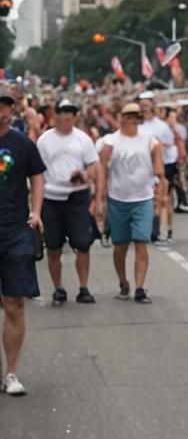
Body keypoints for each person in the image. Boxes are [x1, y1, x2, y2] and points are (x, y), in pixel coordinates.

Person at [0, 91, 46, 395]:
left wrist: (36, 211)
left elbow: (37, 175)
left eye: (4, 108)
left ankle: (11, 373)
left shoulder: (21, 143)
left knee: (15, 303)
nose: (2, 112)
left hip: (14, 230)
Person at [98, 102, 165, 303]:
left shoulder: (150, 141)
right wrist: (99, 198)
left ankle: (140, 288)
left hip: (142, 198)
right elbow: (102, 168)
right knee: (120, 246)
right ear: (121, 118)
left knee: (141, 243)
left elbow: (159, 169)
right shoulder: (110, 141)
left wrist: (161, 194)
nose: (132, 119)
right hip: (118, 199)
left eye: (136, 116)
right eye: (128, 116)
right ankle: (123, 282)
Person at [36, 99, 100, 304]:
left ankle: (83, 288)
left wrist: (82, 175)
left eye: (71, 112)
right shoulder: (45, 140)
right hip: (51, 197)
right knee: (53, 247)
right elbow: (37, 172)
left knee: (82, 244)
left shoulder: (83, 139)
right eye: (63, 111)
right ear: (56, 115)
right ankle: (58, 288)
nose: (67, 115)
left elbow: (93, 167)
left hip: (77, 197)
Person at [138, 93, 182, 246]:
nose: (143, 108)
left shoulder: (161, 126)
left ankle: (163, 230)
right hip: (141, 168)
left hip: (159, 167)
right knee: (145, 199)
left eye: (146, 104)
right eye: (141, 104)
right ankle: (146, 229)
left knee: (163, 200)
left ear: (152, 106)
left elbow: (168, 146)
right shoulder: (137, 125)